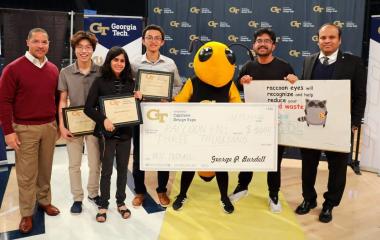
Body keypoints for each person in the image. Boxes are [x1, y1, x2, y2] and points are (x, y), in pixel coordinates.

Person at [294, 23, 367, 223]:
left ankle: (329, 204)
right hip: (312, 122)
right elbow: (303, 91)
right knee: (308, 165)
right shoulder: (309, 61)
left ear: (339, 40)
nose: (327, 41)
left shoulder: (353, 63)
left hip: (339, 126)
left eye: (331, 37)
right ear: (318, 40)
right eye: (323, 38)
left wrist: (354, 123)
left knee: (337, 168)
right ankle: (309, 200)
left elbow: (360, 96)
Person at [229, 28, 297, 213]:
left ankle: (273, 195)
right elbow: (234, 88)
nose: (263, 44)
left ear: (273, 45)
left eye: (267, 41)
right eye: (259, 40)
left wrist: (294, 81)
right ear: (254, 45)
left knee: (274, 162)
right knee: (248, 158)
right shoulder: (248, 67)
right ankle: (242, 188)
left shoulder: (284, 66)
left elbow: (295, 94)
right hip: (252, 123)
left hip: (277, 124)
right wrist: (240, 81)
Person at [0, 28, 60, 233]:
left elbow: (55, 98)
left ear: (49, 44)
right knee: (26, 175)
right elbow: (4, 102)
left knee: (45, 170)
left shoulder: (53, 69)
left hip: (49, 127)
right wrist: (8, 131)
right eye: (36, 41)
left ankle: (44, 201)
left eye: (44, 42)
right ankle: (26, 213)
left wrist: (58, 124)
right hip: (24, 129)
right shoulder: (13, 69)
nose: (40, 45)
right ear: (27, 42)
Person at [84, 46, 142, 223]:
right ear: (109, 61)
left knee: (124, 169)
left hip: (125, 133)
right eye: (115, 60)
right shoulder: (100, 81)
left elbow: (132, 109)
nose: (119, 63)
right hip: (106, 135)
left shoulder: (131, 82)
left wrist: (139, 99)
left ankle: (121, 202)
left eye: (122, 60)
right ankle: (103, 204)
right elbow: (88, 108)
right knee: (107, 170)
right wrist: (104, 120)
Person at [130, 24, 181, 208]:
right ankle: (140, 191)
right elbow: (128, 87)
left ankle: (161, 190)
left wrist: (169, 98)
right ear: (143, 41)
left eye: (157, 38)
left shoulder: (169, 63)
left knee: (163, 154)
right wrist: (133, 92)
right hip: (141, 115)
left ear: (162, 42)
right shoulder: (135, 63)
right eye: (149, 37)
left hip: (162, 116)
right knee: (138, 155)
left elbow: (177, 86)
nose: (153, 41)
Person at [58, 31, 101, 214]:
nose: (84, 50)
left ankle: (93, 193)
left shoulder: (100, 72)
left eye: (88, 47)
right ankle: (77, 198)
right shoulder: (65, 72)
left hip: (94, 124)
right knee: (74, 164)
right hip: (73, 125)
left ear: (93, 49)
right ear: (74, 49)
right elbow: (62, 100)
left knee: (95, 162)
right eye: (80, 47)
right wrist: (61, 125)